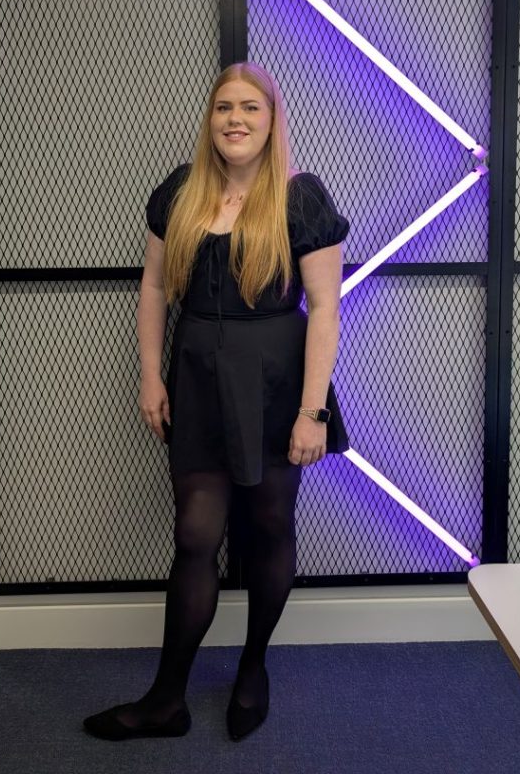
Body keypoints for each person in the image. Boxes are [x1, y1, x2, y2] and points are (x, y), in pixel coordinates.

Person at [83, 62, 350, 743]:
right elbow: (152, 288)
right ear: (210, 119)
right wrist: (151, 376)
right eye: (224, 107)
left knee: (269, 528)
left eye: (250, 108)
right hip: (197, 379)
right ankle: (165, 701)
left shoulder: (300, 198)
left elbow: (325, 310)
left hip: (276, 386)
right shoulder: (181, 191)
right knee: (195, 536)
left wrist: (312, 412)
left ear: (271, 120)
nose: (235, 119)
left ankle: (252, 670)